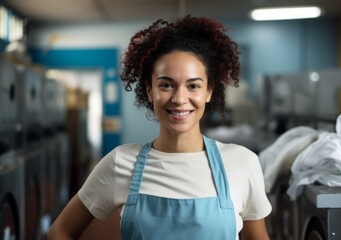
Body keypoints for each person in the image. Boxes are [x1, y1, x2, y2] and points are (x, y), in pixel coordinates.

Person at [47, 15, 272, 240]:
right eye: (166, 85)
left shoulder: (242, 163)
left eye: (193, 85)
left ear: (209, 92)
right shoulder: (121, 162)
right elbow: (60, 231)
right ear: (149, 90)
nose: (179, 98)